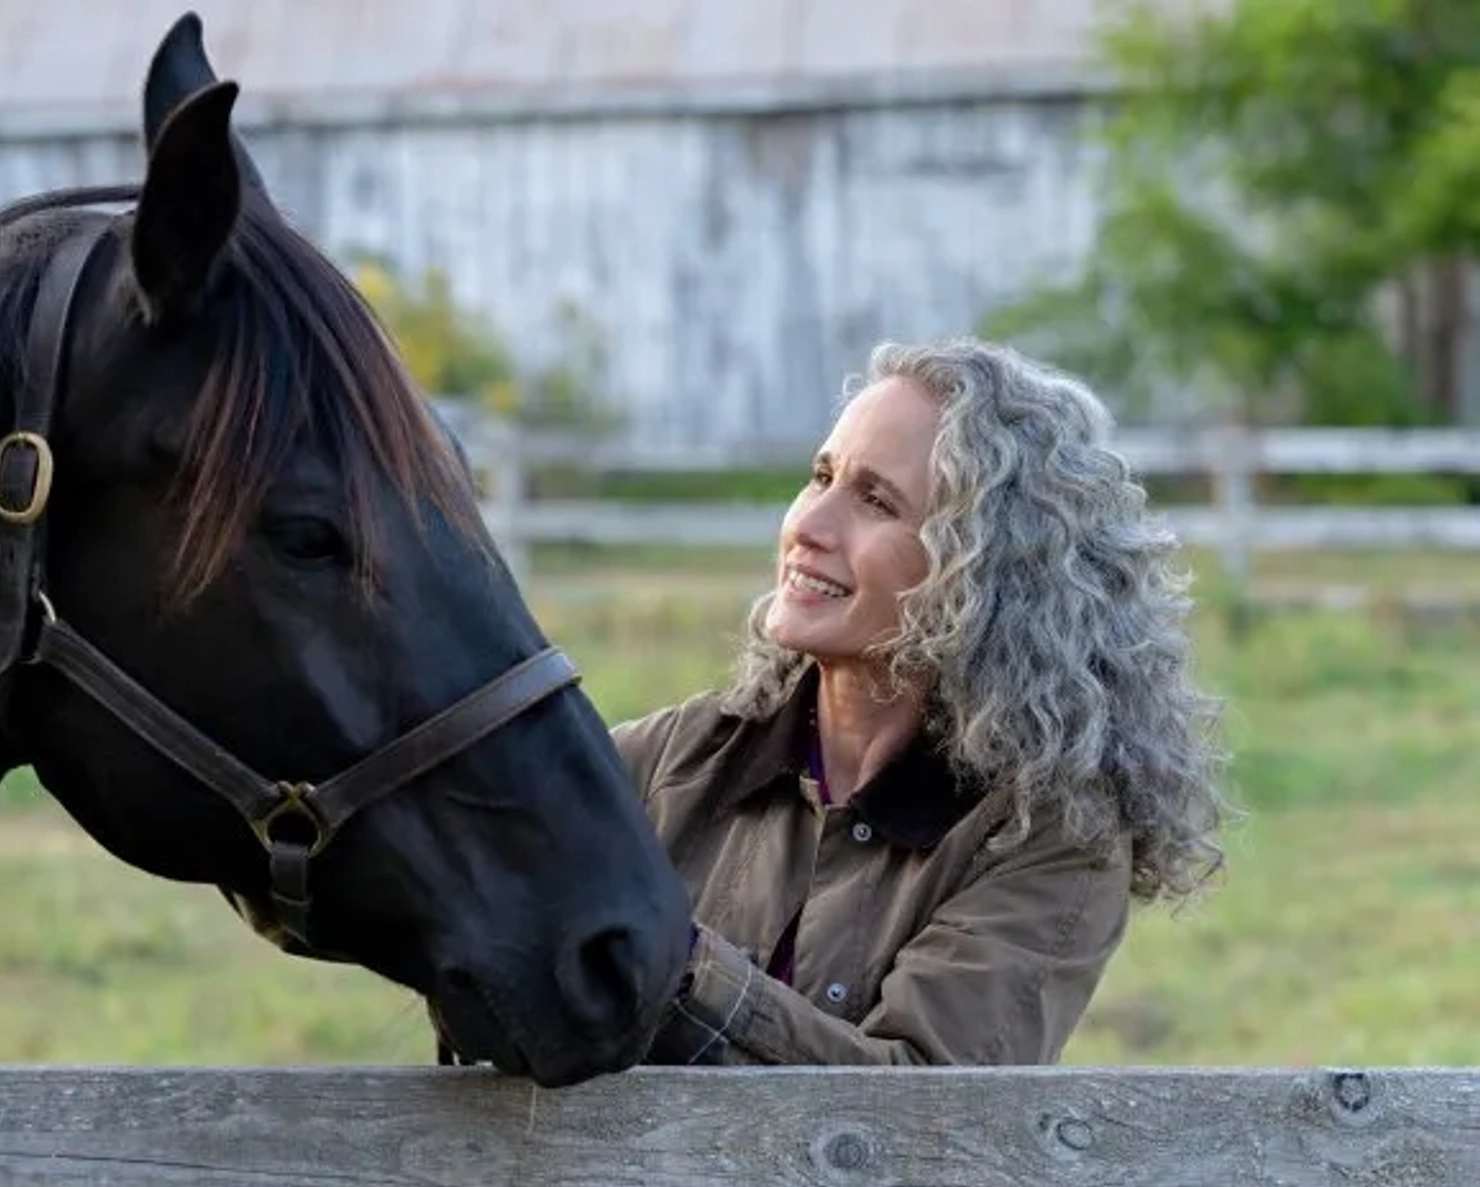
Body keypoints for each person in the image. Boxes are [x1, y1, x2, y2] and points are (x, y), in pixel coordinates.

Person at [441, 336, 1231, 1068]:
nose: (809, 525)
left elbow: (916, 1117)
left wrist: (670, 962)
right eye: (821, 478)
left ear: (986, 577)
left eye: (877, 502)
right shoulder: (662, 761)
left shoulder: (1052, 834)